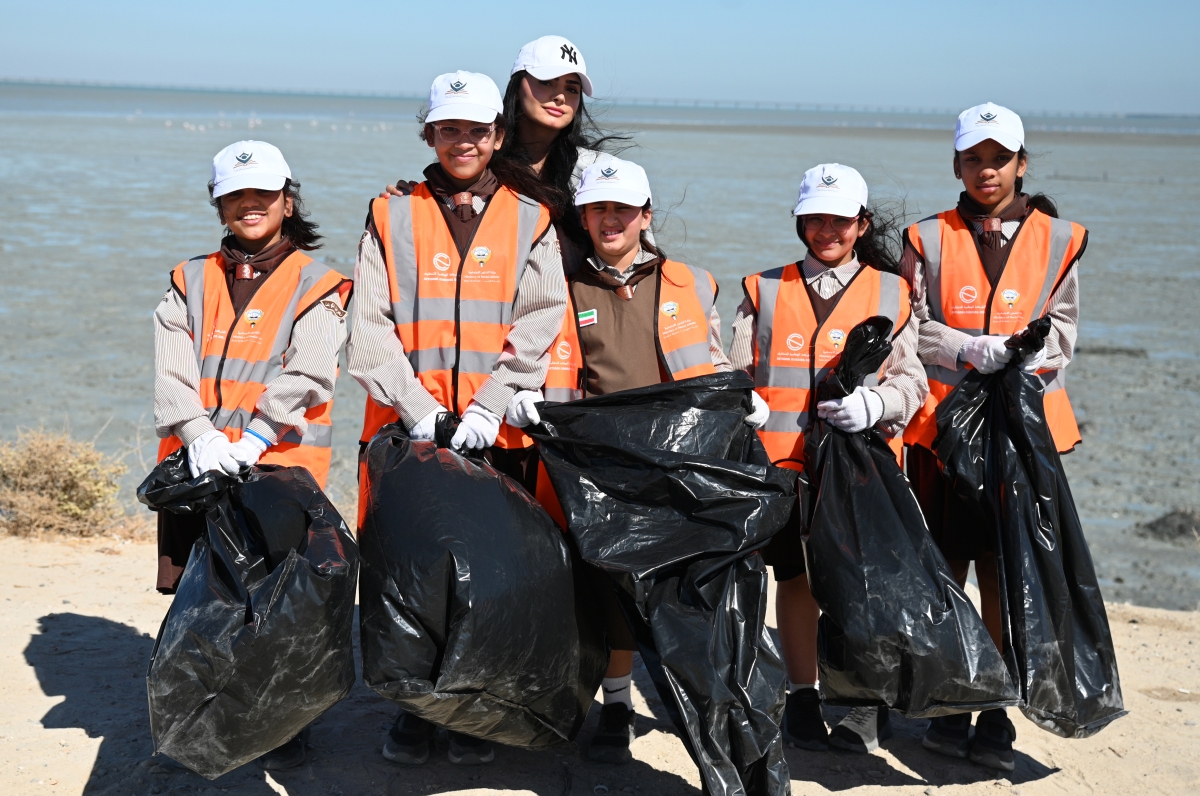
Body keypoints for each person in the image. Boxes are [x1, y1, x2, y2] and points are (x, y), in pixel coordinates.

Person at [506, 157, 764, 764]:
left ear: (645, 214)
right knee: (611, 585)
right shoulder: (568, 287)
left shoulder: (691, 281)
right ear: (584, 217)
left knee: (686, 591)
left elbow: (710, 354)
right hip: (603, 463)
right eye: (599, 210)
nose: (610, 220)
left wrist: (737, 397)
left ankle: (706, 703)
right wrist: (528, 402)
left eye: (622, 209)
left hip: (679, 458)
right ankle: (617, 702)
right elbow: (556, 372)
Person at [347, 71, 568, 766]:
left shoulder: (532, 217)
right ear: (431, 134)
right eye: (449, 129)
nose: (462, 141)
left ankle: (473, 714)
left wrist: (487, 405)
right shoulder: (390, 213)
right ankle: (414, 711)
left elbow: (541, 320)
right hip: (406, 430)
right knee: (407, 576)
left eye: (476, 130)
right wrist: (422, 412)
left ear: (497, 136)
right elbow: (368, 325)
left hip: (492, 431)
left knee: (490, 579)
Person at [152, 139, 351, 769]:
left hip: (280, 467)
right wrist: (198, 434)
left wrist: (257, 435)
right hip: (201, 466)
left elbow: (313, 369)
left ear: (287, 201)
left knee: (277, 604)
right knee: (203, 596)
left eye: (263, 194)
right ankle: (202, 711)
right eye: (236, 195)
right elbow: (171, 370)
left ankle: (283, 724)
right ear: (219, 205)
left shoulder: (319, 283)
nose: (250, 205)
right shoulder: (189, 278)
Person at [901, 103, 1087, 772]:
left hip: (1024, 429)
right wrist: (966, 348)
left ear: (1020, 163)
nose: (987, 169)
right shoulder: (927, 237)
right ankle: (953, 696)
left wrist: (1028, 357)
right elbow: (912, 326)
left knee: (1007, 570)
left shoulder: (1059, 238)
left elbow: (1064, 330)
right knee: (946, 565)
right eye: (974, 158)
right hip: (945, 428)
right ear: (957, 164)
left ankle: (996, 705)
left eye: (999, 158)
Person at [728, 163, 927, 755]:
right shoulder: (762, 289)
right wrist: (745, 406)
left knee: (858, 585)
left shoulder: (893, 292)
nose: (827, 231)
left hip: (860, 472)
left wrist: (877, 403)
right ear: (800, 221)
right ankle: (800, 696)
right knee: (794, 581)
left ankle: (863, 703)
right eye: (815, 218)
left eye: (840, 220)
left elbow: (913, 382)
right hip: (782, 467)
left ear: (861, 225)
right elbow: (734, 373)